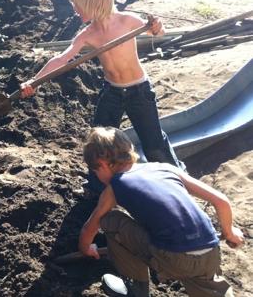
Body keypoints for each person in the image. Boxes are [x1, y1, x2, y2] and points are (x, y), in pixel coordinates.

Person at [19, 0, 184, 192]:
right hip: (112, 93)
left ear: (92, 2)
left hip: (139, 91)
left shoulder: (128, 21)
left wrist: (156, 26)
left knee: (153, 143)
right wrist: (34, 81)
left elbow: (158, 31)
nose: (75, 10)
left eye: (77, 5)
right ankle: (96, 187)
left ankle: (177, 181)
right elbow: (61, 59)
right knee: (97, 144)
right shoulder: (88, 34)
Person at [79, 127, 244, 297]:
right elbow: (221, 202)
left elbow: (91, 226)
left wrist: (86, 248)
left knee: (111, 220)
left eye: (95, 171)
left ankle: (136, 290)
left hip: (173, 258)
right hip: (210, 250)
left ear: (103, 164)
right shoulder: (166, 169)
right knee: (206, 285)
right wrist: (229, 232)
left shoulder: (115, 187)